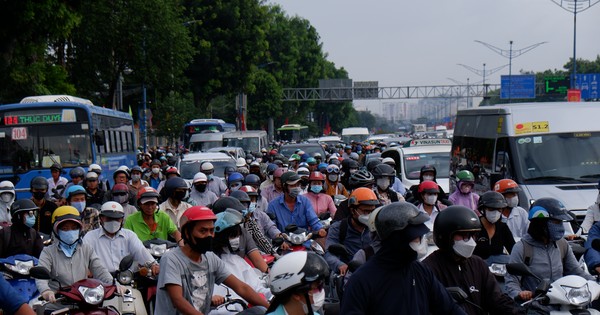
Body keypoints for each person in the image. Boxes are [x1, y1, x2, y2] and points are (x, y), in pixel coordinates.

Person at [341, 201, 465, 315]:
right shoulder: (362, 280)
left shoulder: (421, 272)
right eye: (417, 236)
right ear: (396, 238)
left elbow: (449, 308)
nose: (421, 241)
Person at [154, 206, 269, 314]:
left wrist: (271, 310)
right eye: (203, 231)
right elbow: (177, 300)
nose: (209, 236)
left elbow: (241, 288)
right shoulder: (171, 259)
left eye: (211, 231)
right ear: (187, 233)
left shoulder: (210, 258)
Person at [423, 206, 523, 315]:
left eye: (472, 235)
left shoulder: (478, 264)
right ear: (446, 236)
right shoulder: (428, 269)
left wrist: (518, 311)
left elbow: (497, 300)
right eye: (464, 235)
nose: (470, 241)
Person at [505, 198, 594, 307]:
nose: (560, 227)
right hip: (535, 307)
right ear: (540, 222)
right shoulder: (522, 247)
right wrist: (519, 293)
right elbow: (512, 281)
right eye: (556, 222)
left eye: (561, 222)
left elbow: (576, 271)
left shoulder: (562, 244)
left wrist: (594, 282)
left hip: (564, 304)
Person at [36, 206, 115, 309]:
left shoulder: (87, 249)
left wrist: (113, 284)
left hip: (85, 302)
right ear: (56, 231)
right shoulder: (48, 252)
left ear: (80, 229)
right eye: (65, 228)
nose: (70, 231)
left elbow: (100, 270)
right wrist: (46, 291)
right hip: (57, 305)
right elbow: (41, 276)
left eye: (74, 228)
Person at [82, 201, 159, 275]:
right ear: (101, 218)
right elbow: (83, 259)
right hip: (100, 281)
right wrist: (87, 270)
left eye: (117, 219)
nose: (113, 222)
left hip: (126, 279)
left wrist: (153, 265)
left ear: (122, 219)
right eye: (109, 219)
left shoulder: (129, 235)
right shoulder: (90, 237)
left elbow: (140, 251)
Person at [324, 188, 378, 276]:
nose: (369, 215)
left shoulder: (377, 229)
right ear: (353, 210)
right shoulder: (338, 228)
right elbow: (329, 254)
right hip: (349, 275)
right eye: (366, 211)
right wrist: (340, 265)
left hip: (373, 272)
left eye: (372, 211)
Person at [267, 172, 326, 238]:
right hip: (283, 241)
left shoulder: (305, 201)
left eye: (298, 185)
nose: (296, 188)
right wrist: (278, 236)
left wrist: (320, 229)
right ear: (284, 187)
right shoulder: (273, 205)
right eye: (292, 185)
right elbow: (271, 226)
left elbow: (313, 220)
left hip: (304, 240)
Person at [211, 207, 269, 273]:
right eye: (233, 236)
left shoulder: (243, 232)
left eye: (237, 236)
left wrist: (270, 275)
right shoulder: (212, 258)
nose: (237, 239)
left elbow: (257, 260)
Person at [473, 191, 515, 262]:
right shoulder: (474, 227)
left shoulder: (503, 227)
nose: (495, 212)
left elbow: (513, 250)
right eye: (491, 209)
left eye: (499, 209)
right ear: (482, 210)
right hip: (476, 268)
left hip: (499, 270)